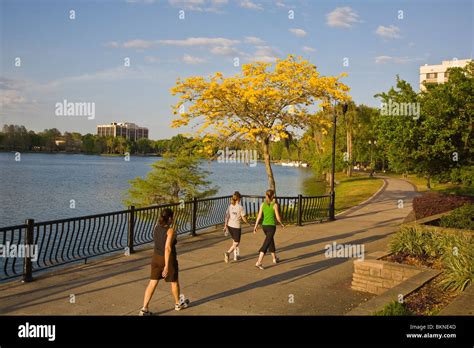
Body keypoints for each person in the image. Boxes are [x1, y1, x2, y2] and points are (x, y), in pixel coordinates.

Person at [139, 208, 190, 315]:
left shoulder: (156, 227)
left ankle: (144, 308)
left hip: (156, 258)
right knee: (174, 282)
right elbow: (167, 248)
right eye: (173, 217)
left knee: (152, 283)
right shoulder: (170, 231)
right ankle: (177, 304)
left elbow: (159, 242)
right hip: (168, 259)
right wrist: (167, 266)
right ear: (170, 218)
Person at [253, 189, 285, 270]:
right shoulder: (274, 205)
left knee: (270, 241)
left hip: (264, 226)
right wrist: (281, 223)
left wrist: (255, 226)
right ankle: (259, 262)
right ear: (273, 196)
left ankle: (275, 258)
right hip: (271, 227)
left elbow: (259, 216)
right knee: (266, 244)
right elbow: (277, 217)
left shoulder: (262, 204)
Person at [223, 191, 249, 263]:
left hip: (230, 226)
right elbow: (243, 218)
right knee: (236, 242)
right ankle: (228, 253)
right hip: (236, 227)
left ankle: (235, 256)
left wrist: (225, 226)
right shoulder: (240, 207)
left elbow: (227, 216)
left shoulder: (230, 206)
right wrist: (247, 222)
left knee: (234, 241)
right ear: (239, 198)